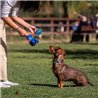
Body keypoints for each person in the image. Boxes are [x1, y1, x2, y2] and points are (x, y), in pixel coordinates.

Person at [0, 0, 40, 88]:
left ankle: (3, 79)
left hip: (1, 21)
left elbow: (14, 16)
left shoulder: (19, 2)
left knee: (3, 50)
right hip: (1, 19)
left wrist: (28, 26)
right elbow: (4, 16)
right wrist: (19, 29)